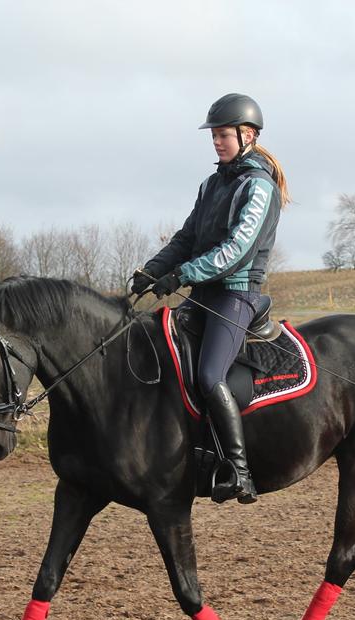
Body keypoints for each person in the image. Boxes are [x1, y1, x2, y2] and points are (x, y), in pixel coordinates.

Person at [132, 93, 290, 504]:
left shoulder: (259, 187)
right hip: (203, 294)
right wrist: (152, 270)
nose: (217, 142)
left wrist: (182, 274)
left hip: (236, 296)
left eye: (223, 135)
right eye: (214, 135)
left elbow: (236, 250)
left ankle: (239, 471)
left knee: (208, 376)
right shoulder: (211, 184)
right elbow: (186, 237)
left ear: (248, 135)